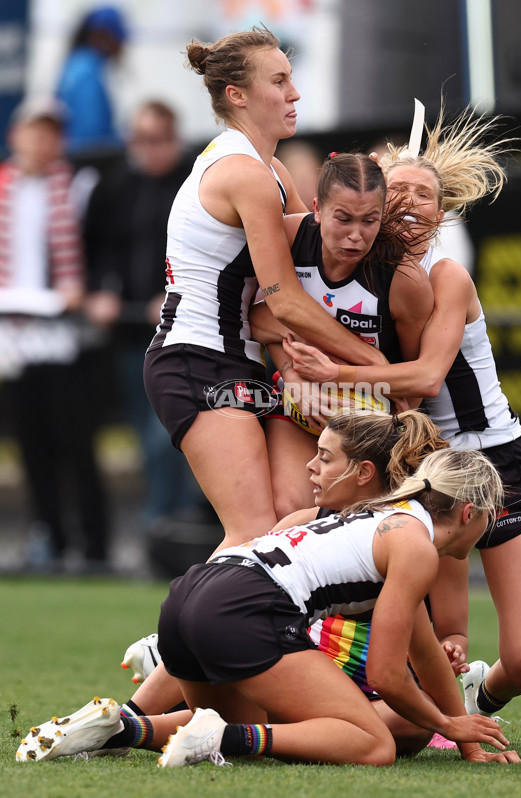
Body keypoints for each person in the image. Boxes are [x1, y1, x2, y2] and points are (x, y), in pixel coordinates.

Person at [17, 415, 520, 767]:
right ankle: (210, 735)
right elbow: (387, 674)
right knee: (373, 744)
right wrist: (450, 727)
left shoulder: (377, 518)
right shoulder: (415, 545)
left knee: (244, 726)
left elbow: (424, 650)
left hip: (189, 596)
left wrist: (467, 743)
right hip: (243, 608)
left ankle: (118, 727)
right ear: (469, 513)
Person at [282, 104, 521, 720]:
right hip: (424, 463)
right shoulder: (368, 270)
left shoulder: (448, 275)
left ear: (442, 211)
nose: (408, 202)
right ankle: (228, 632)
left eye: (423, 194)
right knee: (441, 633)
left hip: (492, 456)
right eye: (396, 189)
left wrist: (334, 373)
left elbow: (427, 376)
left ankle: (475, 702)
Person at [143, 27, 386, 551]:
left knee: (293, 518)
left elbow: (316, 266)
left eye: (290, 78)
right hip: (196, 359)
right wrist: (377, 366)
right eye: (278, 81)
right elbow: (287, 301)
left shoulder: (270, 168)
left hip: (241, 359)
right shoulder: (245, 174)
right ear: (237, 95)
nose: (294, 93)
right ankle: (182, 612)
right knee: (252, 534)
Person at [250, 151, 433, 518]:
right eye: (343, 218)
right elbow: (257, 319)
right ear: (317, 209)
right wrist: (294, 377)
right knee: (287, 509)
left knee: (350, 522)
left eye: (369, 221)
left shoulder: (405, 279)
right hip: (300, 405)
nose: (355, 235)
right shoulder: (289, 236)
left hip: (370, 419)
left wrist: (349, 388)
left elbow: (410, 385)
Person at [0, 98, 111, 571]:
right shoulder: (4, 187)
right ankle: (50, 539)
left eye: (50, 134)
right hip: (13, 336)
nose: (41, 142)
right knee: (31, 445)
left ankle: (95, 546)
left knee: (76, 443)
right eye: (34, 132)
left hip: (66, 333)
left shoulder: (80, 187)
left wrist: (93, 290)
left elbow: (101, 249)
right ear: (16, 136)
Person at [83, 100, 204, 530]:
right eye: (140, 139)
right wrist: (102, 291)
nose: (149, 149)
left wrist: (173, 295)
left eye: (158, 140)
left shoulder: (195, 185)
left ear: (175, 139)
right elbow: (98, 249)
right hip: (132, 332)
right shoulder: (115, 186)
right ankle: (163, 518)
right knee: (142, 429)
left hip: (184, 332)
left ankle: (169, 518)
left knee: (169, 430)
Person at [55, 5, 128, 154]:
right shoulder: (87, 71)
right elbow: (91, 135)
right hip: (86, 158)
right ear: (101, 36)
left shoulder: (78, 63)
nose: (121, 46)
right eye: (118, 39)